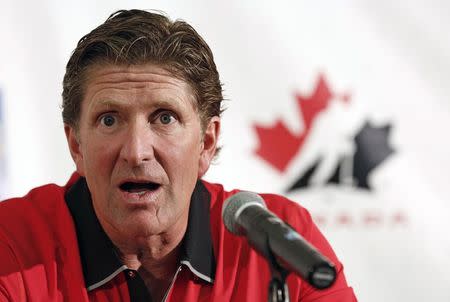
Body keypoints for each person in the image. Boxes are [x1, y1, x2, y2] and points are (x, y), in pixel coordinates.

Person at [0, 9, 356, 302]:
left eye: (164, 118)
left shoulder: (275, 239)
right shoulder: (11, 242)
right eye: (109, 120)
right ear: (76, 145)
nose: (137, 151)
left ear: (206, 142)